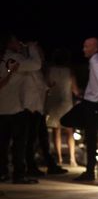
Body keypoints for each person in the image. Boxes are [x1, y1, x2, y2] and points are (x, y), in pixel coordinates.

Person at [60, 37, 98, 181]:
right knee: (88, 136)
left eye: (86, 46)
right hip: (91, 103)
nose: (83, 49)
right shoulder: (97, 61)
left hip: (92, 104)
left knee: (90, 138)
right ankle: (90, 171)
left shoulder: (96, 62)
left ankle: (90, 172)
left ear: (95, 48)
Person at [0, 33, 41, 184]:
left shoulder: (4, 58)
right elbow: (36, 64)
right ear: (10, 43)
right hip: (15, 107)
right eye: (16, 41)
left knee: (2, 144)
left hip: (2, 107)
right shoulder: (14, 59)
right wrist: (32, 47)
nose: (19, 43)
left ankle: (3, 172)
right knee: (19, 143)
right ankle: (19, 174)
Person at [22, 42, 67, 176]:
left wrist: (48, 86)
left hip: (38, 109)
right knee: (32, 139)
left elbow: (41, 86)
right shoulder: (33, 68)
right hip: (32, 108)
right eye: (39, 53)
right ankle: (31, 166)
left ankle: (49, 165)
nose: (42, 55)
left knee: (41, 138)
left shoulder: (39, 70)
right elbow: (35, 87)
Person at [46, 49, 79, 166]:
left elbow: (47, 86)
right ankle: (72, 159)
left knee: (56, 131)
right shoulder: (69, 72)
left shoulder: (50, 71)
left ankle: (59, 158)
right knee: (69, 131)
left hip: (53, 102)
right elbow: (75, 90)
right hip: (66, 102)